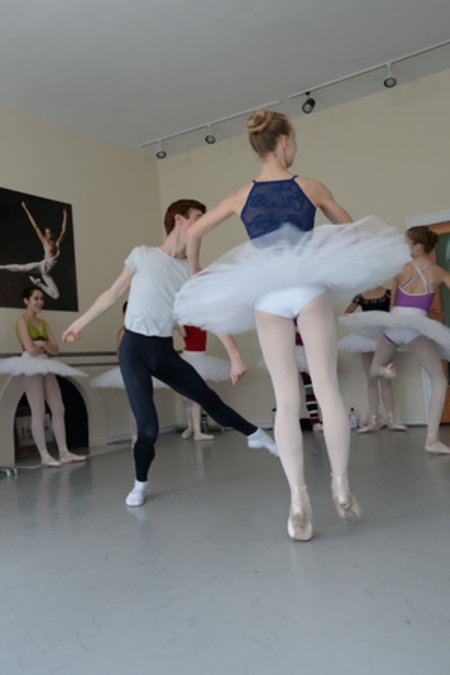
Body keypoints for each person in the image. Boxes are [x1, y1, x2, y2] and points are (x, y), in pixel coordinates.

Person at [174, 109, 409, 540]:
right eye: (294, 139)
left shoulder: (241, 195)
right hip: (307, 287)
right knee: (327, 388)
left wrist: (195, 273)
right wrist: (339, 259)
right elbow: (350, 230)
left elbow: (193, 234)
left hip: (267, 293)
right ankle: (341, 486)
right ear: (284, 141)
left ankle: (298, 497)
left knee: (285, 399)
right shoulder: (309, 186)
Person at [62, 199, 277, 507]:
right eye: (198, 218)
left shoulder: (192, 271)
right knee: (148, 428)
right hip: (134, 348)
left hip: (163, 349)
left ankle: (256, 435)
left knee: (208, 398)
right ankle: (140, 484)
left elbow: (211, 315)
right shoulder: (143, 255)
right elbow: (112, 293)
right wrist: (79, 324)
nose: (203, 224)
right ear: (179, 220)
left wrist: (234, 356)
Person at [340, 226, 450, 455]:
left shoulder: (401, 268)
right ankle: (431, 440)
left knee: (374, 371)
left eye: (406, 242)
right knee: (439, 381)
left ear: (417, 246)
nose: (403, 246)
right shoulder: (439, 272)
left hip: (394, 324)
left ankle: (385, 370)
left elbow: (393, 304)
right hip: (417, 327)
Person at [0, 286, 86, 466]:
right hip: (29, 365)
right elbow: (30, 350)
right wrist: (44, 346)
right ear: (26, 301)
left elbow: (56, 349)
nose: (40, 302)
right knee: (38, 409)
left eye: (42, 298)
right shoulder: (21, 321)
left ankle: (64, 452)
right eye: (36, 298)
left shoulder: (44, 323)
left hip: (46, 363)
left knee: (59, 408)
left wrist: (43, 344)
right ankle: (44, 455)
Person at [340, 287, 406, 433]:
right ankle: (373, 421)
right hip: (366, 338)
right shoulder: (360, 295)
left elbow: (396, 312)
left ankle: (391, 421)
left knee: (387, 380)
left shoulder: (388, 293)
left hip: (385, 336)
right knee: (371, 379)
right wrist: (364, 321)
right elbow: (348, 313)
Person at [177, 325, 246, 440]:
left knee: (196, 396)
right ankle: (190, 427)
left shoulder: (202, 319)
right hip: (188, 357)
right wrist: (178, 322)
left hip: (200, 358)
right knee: (186, 398)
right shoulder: (182, 320)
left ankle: (197, 432)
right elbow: (183, 334)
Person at [0, 201, 67, 299]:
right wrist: (26, 209)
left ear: (53, 234)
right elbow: (36, 226)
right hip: (42, 266)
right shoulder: (45, 241)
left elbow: (64, 230)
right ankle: (1, 267)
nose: (47, 235)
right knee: (22, 268)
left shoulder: (58, 243)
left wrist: (65, 214)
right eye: (46, 233)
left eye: (49, 233)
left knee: (56, 296)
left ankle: (38, 284)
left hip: (48, 273)